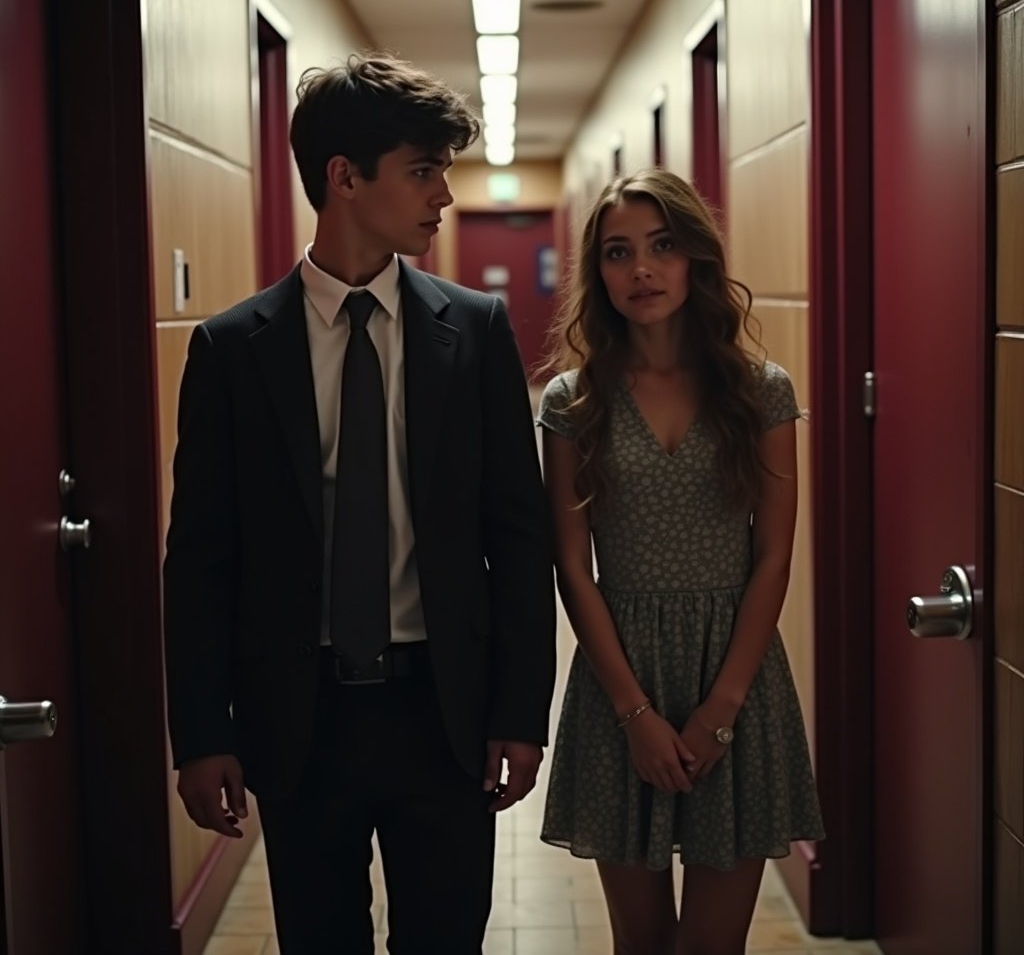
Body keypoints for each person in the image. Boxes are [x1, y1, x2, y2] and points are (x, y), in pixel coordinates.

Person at [162, 52, 556, 955]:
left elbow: (516, 532)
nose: (443, 197)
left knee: (447, 937)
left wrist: (520, 711)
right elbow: (202, 556)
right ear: (344, 178)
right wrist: (202, 731)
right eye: (424, 171)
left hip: (443, 709)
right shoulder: (231, 351)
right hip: (302, 716)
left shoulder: (476, 331)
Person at [537, 168, 824, 955]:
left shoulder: (760, 392)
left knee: (710, 946)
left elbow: (773, 558)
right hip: (618, 680)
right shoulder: (572, 401)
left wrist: (719, 712)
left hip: (736, 678)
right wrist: (635, 715)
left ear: (695, 256)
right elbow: (572, 565)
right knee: (641, 942)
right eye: (618, 252)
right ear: (598, 272)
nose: (642, 270)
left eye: (662, 246)